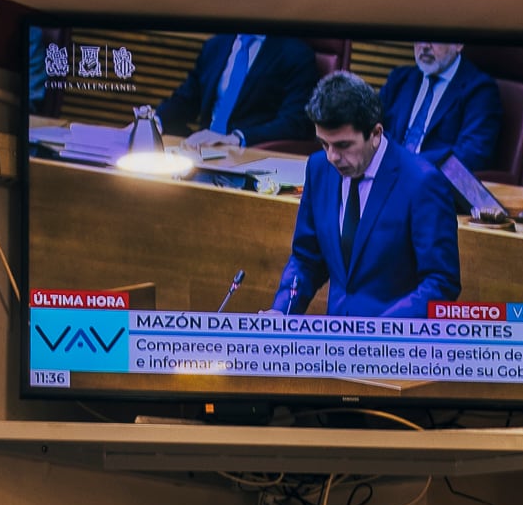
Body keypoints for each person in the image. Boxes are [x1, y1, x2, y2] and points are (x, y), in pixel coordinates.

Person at [270, 71, 462, 320]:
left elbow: (441, 282)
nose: (332, 157)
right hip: (337, 342)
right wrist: (281, 310)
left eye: (343, 145)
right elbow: (306, 258)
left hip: (396, 348)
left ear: (375, 134)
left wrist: (377, 334)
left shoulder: (422, 183)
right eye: (324, 144)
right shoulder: (319, 169)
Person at [155, 29, 321, 150]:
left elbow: (294, 123)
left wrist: (236, 138)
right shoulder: (216, 45)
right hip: (202, 148)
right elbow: (187, 99)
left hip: (250, 155)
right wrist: (153, 121)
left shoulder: (295, 54)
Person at [380, 41, 504, 183]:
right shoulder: (399, 79)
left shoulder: (479, 90)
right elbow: (372, 129)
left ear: (458, 44)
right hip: (386, 179)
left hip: (433, 186)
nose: (425, 46)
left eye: (435, 38)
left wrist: (407, 164)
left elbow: (473, 155)